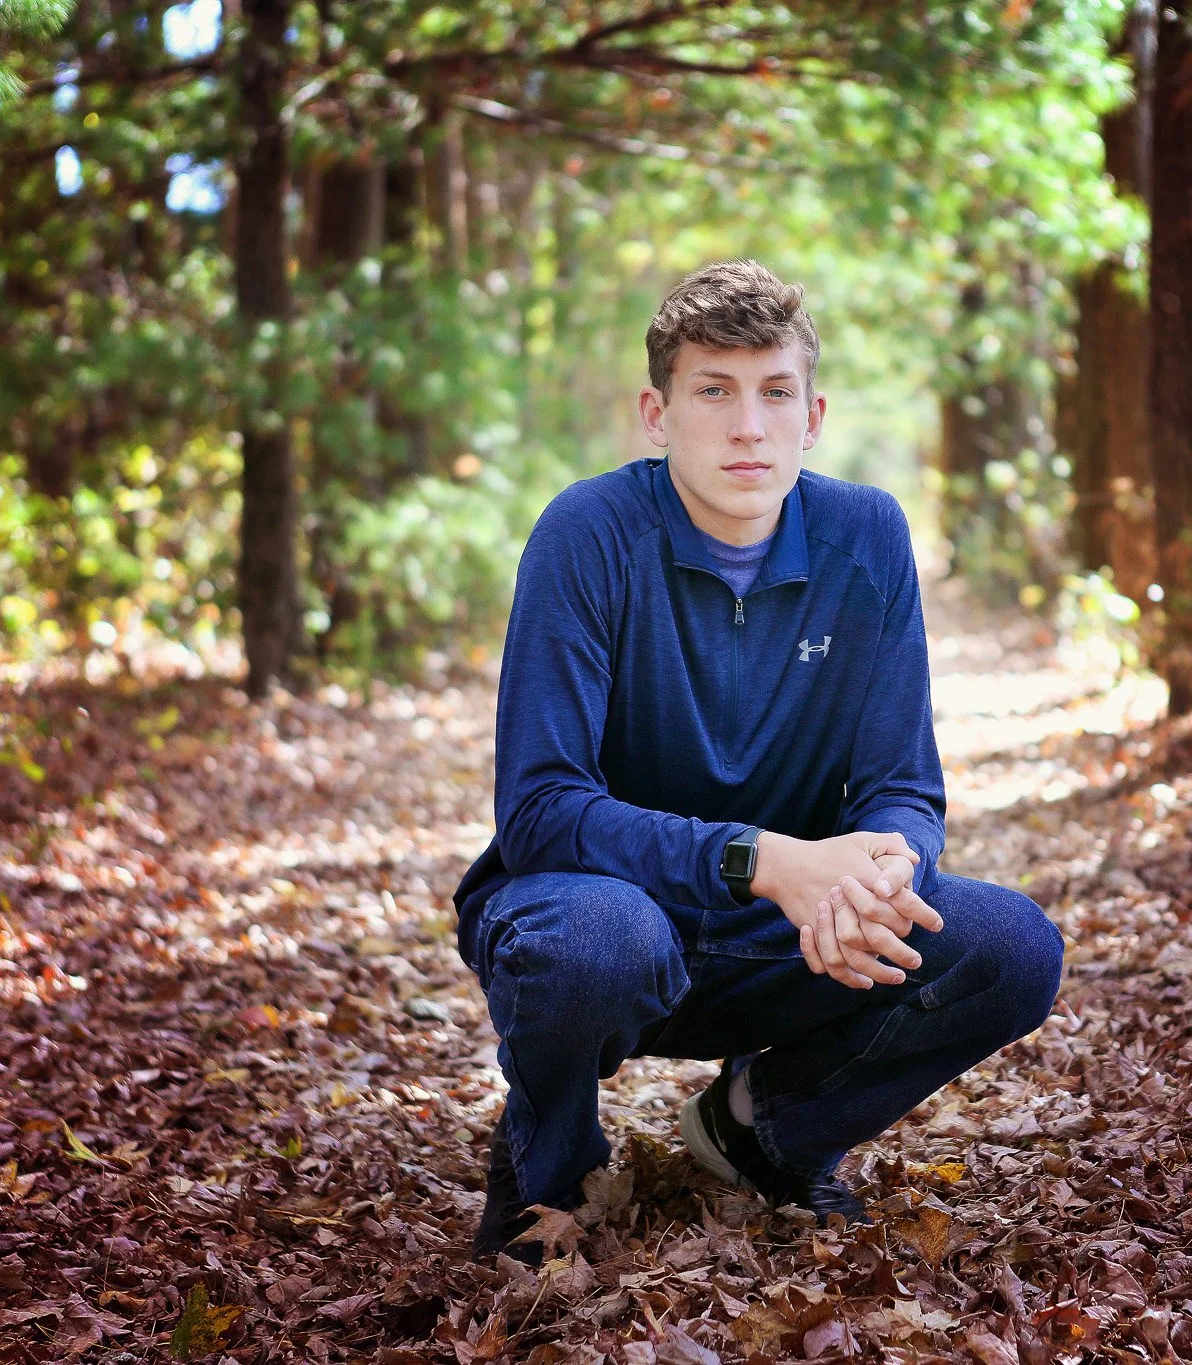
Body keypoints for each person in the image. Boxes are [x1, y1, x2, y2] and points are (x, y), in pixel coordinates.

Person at [452, 260, 1066, 1263]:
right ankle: (547, 1167)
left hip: (792, 931)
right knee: (593, 942)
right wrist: (761, 858)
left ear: (812, 413)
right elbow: (538, 811)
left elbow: (899, 785)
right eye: (713, 391)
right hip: (598, 915)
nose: (748, 425)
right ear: (657, 412)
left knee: (1009, 949)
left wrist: (884, 865)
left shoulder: (864, 537)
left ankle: (761, 1130)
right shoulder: (587, 534)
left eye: (774, 392)